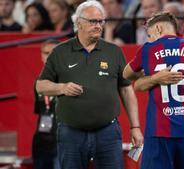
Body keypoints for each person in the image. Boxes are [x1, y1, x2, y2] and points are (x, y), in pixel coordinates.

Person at [35, 1, 143, 169]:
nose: (98, 25)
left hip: (108, 132)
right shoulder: (60, 52)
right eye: (93, 21)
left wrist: (135, 126)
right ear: (78, 22)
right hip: (71, 133)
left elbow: (126, 89)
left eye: (101, 21)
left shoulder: (114, 51)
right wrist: (62, 88)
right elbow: (40, 86)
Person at [123, 12, 184, 169]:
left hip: (158, 131)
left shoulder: (148, 50)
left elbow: (126, 74)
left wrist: (152, 74)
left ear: (158, 29)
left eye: (149, 34)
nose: (149, 39)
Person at [33, 40, 60, 169]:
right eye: (46, 53)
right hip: (42, 141)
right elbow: (41, 111)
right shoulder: (38, 82)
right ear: (41, 56)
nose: (49, 56)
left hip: (61, 141)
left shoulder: (68, 80)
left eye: (53, 53)